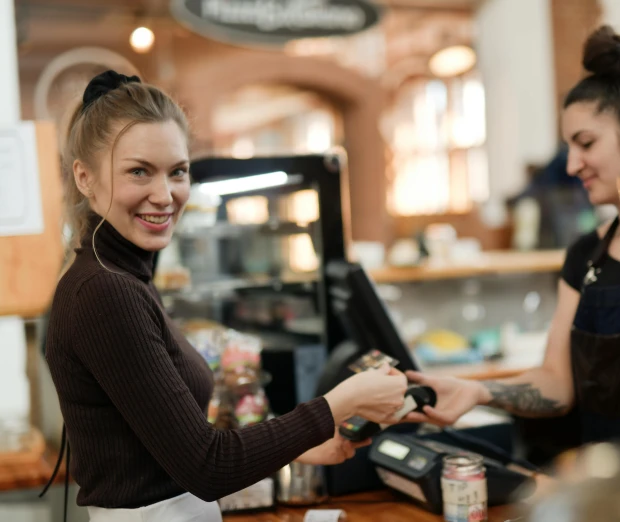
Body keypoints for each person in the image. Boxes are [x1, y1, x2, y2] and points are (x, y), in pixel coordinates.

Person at [43, 70, 408, 522]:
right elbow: (207, 466)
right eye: (139, 171)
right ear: (84, 177)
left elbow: (167, 441)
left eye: (178, 172)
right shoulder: (105, 291)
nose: (165, 195)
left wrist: (298, 449)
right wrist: (342, 403)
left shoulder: (122, 276)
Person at [405, 26, 620, 445]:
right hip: (606, 495)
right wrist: (480, 391)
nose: (572, 165)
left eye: (586, 143)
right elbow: (557, 385)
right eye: (570, 147)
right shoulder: (585, 256)